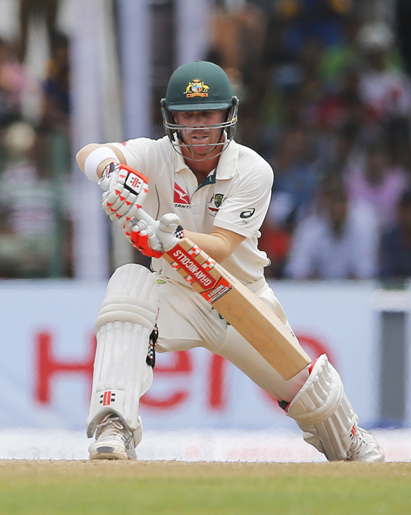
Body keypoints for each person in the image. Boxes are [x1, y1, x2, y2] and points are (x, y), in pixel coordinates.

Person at [76, 61, 383, 462]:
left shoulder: (253, 169)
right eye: (188, 115)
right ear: (172, 118)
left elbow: (220, 246)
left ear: (228, 115)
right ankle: (113, 424)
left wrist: (169, 239)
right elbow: (90, 151)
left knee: (310, 394)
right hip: (178, 296)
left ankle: (350, 438)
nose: (198, 126)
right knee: (128, 285)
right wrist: (111, 173)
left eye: (207, 114)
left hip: (239, 298)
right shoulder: (154, 155)